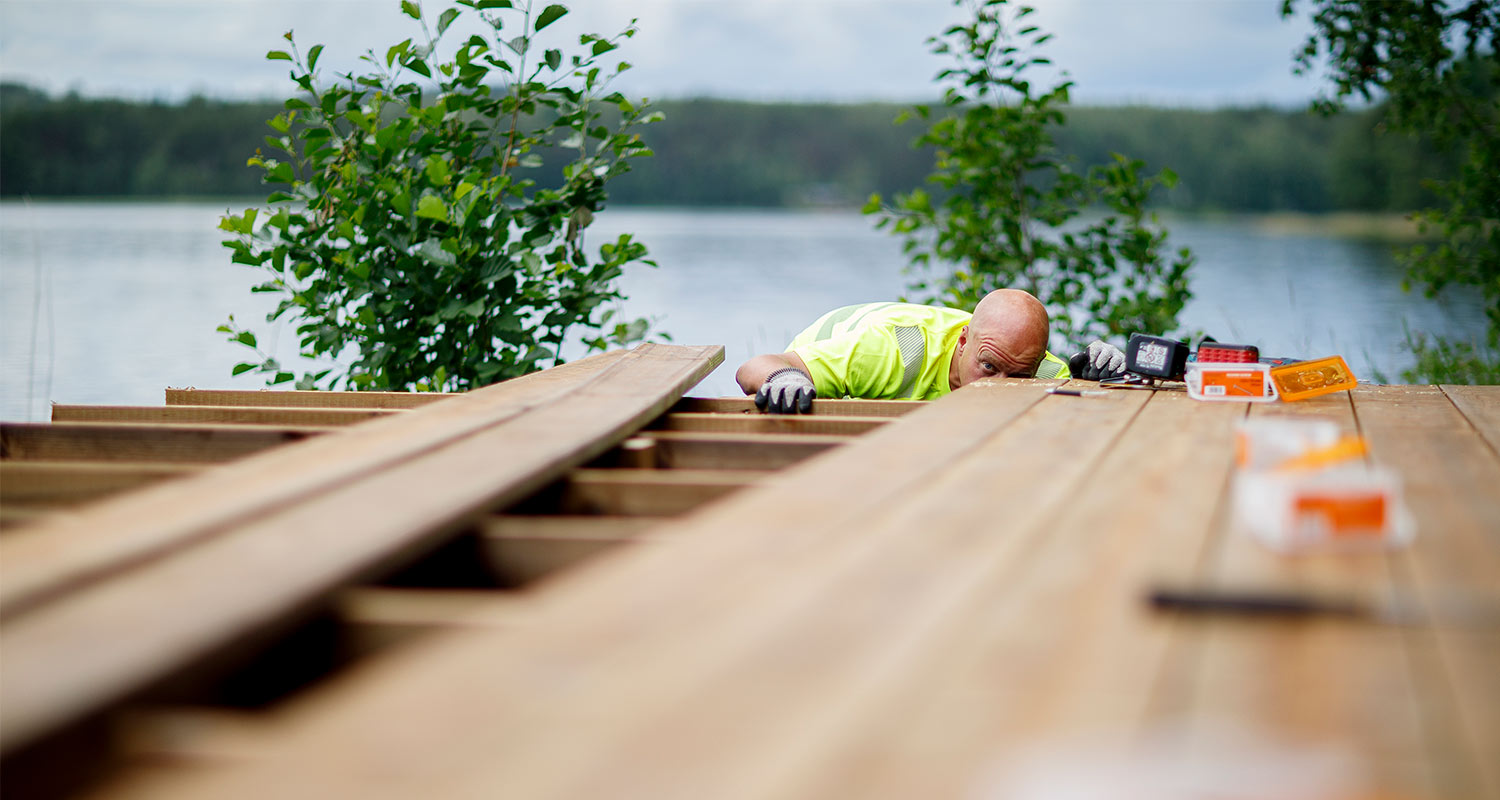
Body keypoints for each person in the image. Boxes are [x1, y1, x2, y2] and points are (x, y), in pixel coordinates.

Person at [735, 289, 1126, 413]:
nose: (999, 386)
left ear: (1038, 363)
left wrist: (1104, 378)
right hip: (826, 366)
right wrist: (783, 377)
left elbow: (1103, 413)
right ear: (962, 341)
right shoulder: (894, 351)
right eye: (988, 367)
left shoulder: (1038, 371)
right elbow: (755, 367)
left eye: (1018, 376)